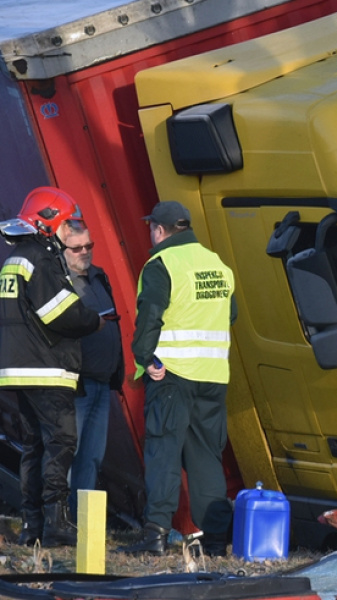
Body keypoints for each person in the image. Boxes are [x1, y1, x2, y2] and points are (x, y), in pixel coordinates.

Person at [121, 201, 236, 556]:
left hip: (171, 376)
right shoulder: (218, 265)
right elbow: (228, 316)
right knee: (206, 458)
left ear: (159, 230)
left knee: (163, 452)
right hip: (213, 376)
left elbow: (150, 317)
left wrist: (144, 358)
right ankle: (216, 539)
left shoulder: (161, 264)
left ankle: (155, 533)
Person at [0, 187, 104, 547]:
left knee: (34, 447)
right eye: (66, 223)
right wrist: (93, 321)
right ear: (48, 224)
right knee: (60, 443)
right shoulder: (42, 259)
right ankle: (57, 525)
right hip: (47, 368)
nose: (69, 229)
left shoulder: (15, 259)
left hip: (18, 369)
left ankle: (33, 527)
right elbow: (58, 313)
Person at [62, 226, 124, 506]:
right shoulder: (59, 281)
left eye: (89, 245)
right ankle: (57, 519)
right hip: (76, 383)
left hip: (101, 380)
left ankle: (79, 523)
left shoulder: (98, 276)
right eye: (77, 248)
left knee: (91, 456)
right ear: (61, 249)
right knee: (67, 454)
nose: (85, 252)